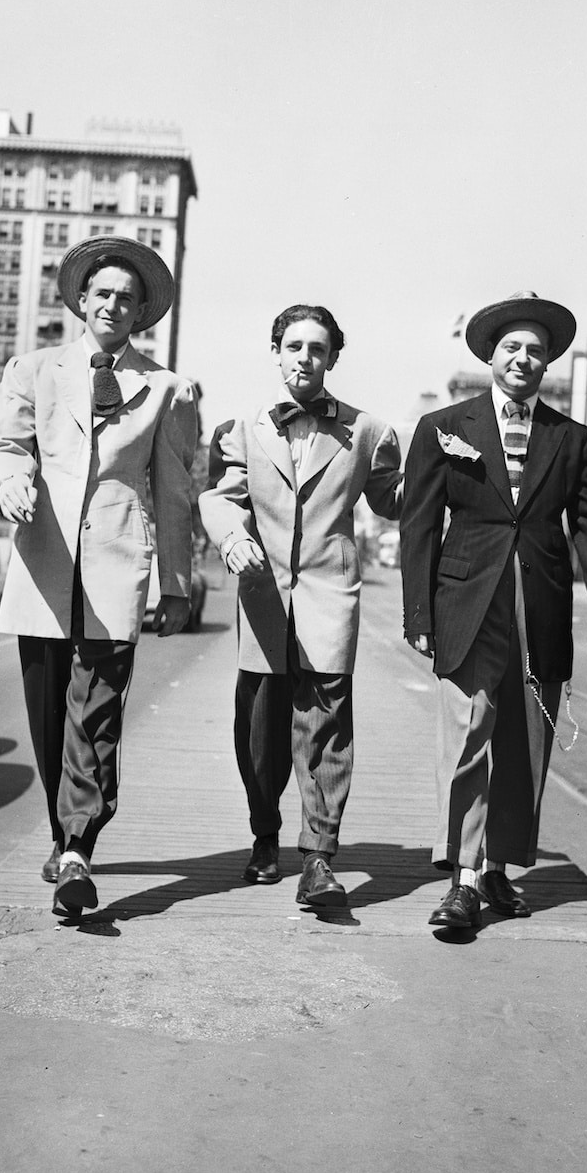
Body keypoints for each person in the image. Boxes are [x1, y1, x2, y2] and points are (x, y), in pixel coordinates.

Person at [0, 235, 197, 917]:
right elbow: (2, 445)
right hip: (43, 560)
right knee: (49, 716)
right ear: (80, 299)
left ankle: (77, 848)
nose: (112, 305)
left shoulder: (166, 390)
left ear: (141, 312)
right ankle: (62, 830)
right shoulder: (32, 369)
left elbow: (175, 492)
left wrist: (176, 583)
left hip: (115, 565)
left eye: (126, 298)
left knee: (96, 710)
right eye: (102, 293)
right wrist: (10, 482)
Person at [400, 291, 587, 929]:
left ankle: (497, 867)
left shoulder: (573, 439)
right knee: (468, 736)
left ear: (548, 362)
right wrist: (419, 615)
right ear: (491, 356)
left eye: (535, 350)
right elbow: (419, 525)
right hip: (467, 603)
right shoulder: (443, 427)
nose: (523, 358)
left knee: (526, 741)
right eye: (511, 348)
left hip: (541, 604)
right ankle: (463, 879)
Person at [199, 304, 403, 907]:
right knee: (260, 734)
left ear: (332, 358)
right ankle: (265, 835)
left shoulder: (368, 432)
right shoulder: (241, 429)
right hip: (263, 597)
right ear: (276, 353)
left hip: (329, 597)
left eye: (317, 349)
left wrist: (447, 469)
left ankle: (318, 856)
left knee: (326, 728)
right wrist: (232, 540)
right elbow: (221, 498)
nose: (305, 358)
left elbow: (394, 500)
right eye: (294, 346)